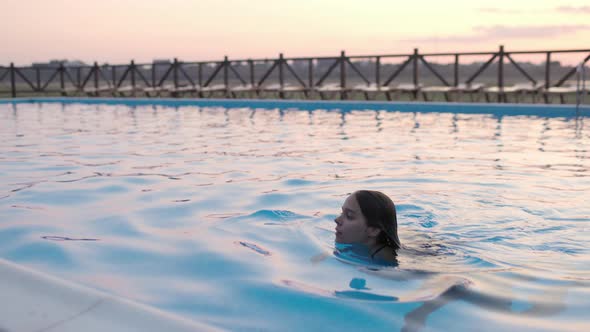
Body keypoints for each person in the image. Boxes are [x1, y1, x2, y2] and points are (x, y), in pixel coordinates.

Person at [334, 190, 400, 263]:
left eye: (349, 215)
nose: (337, 220)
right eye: (342, 212)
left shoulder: (386, 262)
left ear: (373, 230)